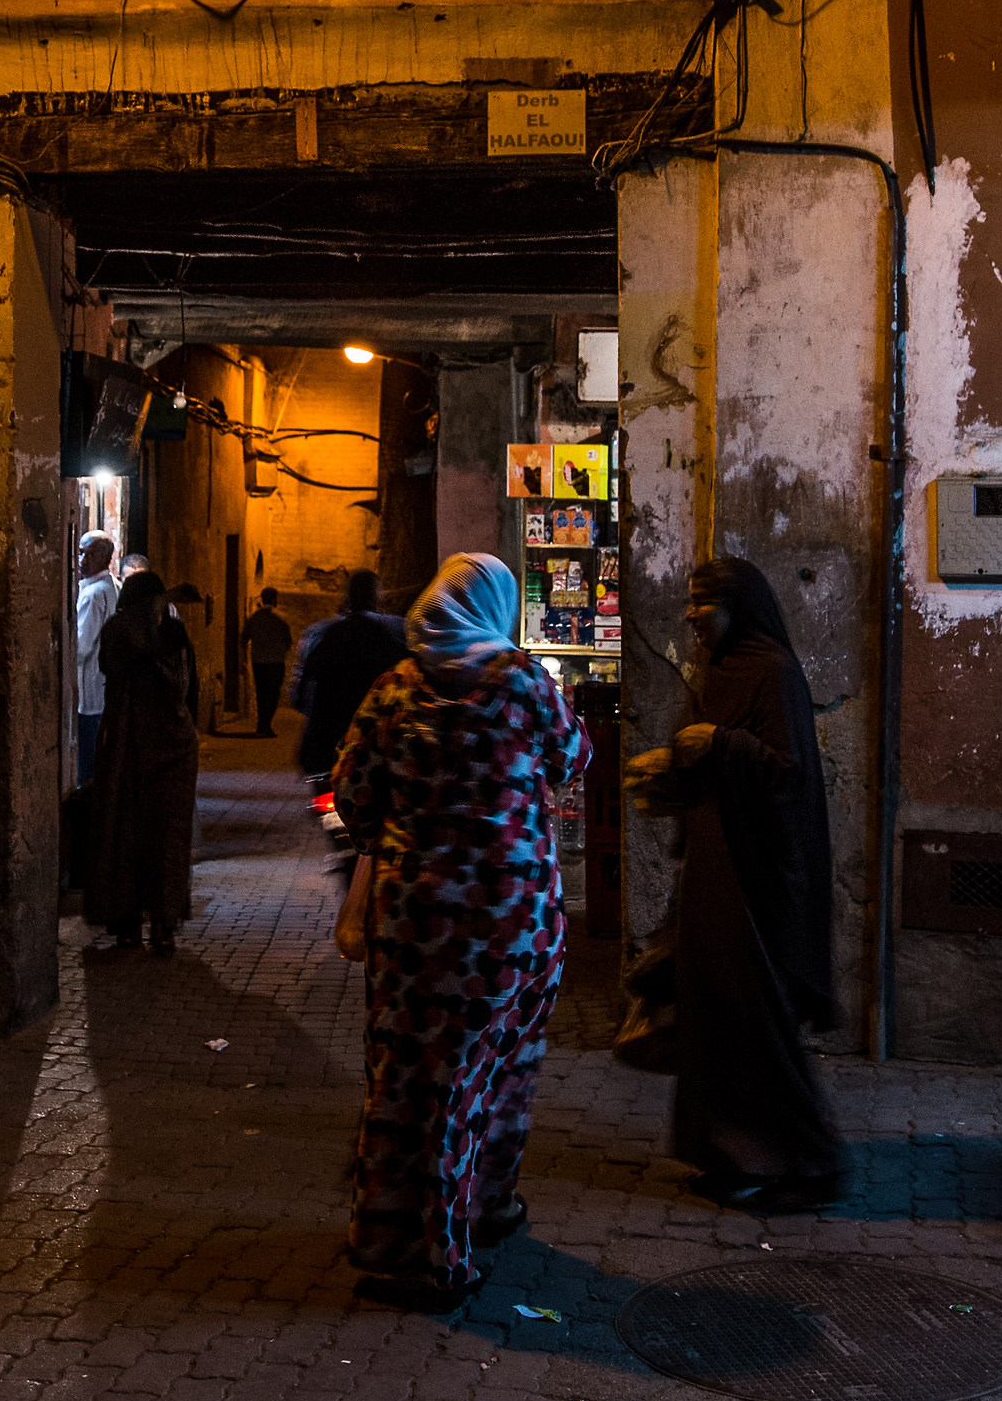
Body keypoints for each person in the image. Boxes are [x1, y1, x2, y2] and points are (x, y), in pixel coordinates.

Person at [333, 553, 588, 1313]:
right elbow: (574, 758)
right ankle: (447, 1247)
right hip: (512, 922)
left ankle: (393, 1236)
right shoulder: (521, 681)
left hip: (414, 923)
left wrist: (412, 837)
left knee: (411, 1080)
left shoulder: (394, 690)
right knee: (492, 1074)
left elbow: (350, 794)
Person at [625, 555, 844, 1213]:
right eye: (690, 602)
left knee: (755, 1023)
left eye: (703, 603)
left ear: (736, 607)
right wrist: (669, 770)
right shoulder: (717, 670)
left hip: (756, 880)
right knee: (713, 1015)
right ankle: (725, 1153)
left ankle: (796, 1158)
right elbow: (709, 760)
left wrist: (719, 745)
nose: (691, 616)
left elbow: (788, 775)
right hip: (713, 872)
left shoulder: (774, 673)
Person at [84, 570, 200, 954]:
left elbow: (118, 651)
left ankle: (133, 924)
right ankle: (161, 926)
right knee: (166, 840)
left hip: (129, 752)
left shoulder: (124, 632)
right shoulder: (168, 634)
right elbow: (189, 694)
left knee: (126, 836)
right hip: (173, 747)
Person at [292, 569, 405, 778]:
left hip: (327, 744)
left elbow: (303, 687)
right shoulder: (397, 632)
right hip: (377, 742)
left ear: (349, 598)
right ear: (379, 597)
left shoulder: (326, 635)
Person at [75, 532, 119, 787]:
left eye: (91, 554)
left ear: (106, 558)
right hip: (104, 691)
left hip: (89, 694)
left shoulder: (93, 595)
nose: (83, 559)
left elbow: (80, 648)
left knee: (88, 767)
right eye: (81, 552)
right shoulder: (113, 587)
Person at [241, 586, 293, 737]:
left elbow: (244, 638)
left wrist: (243, 659)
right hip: (276, 661)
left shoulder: (254, 617)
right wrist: (282, 650)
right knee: (273, 694)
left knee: (261, 693)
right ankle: (266, 724)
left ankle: (262, 724)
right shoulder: (281, 617)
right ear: (273, 599)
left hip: (258, 661)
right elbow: (288, 640)